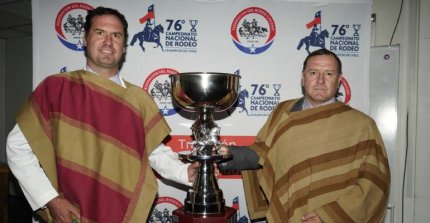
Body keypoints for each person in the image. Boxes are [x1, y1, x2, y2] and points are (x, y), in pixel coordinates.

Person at [6, 7, 197, 223]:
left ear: (124, 46)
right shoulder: (56, 88)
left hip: (122, 213)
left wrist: (185, 173)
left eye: (116, 35)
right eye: (100, 33)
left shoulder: (139, 100)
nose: (108, 41)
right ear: (85, 39)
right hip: (70, 214)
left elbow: (153, 152)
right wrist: (50, 199)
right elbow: (17, 147)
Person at [219, 48, 391, 223]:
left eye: (329, 74)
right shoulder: (283, 112)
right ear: (303, 78)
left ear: (339, 81)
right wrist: (227, 154)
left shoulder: (362, 125)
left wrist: (327, 216)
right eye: (314, 73)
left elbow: (374, 183)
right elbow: (263, 153)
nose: (321, 80)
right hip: (289, 212)